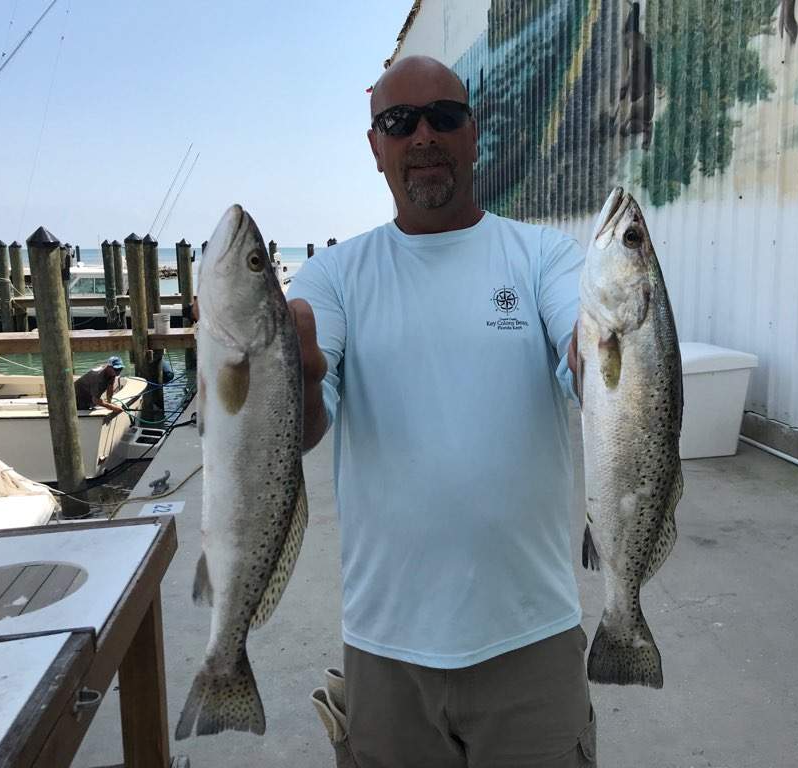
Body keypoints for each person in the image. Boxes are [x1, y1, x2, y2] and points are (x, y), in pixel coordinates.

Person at [287, 55, 593, 767]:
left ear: (474, 134)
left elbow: (585, 347)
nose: (423, 135)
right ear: (376, 148)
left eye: (444, 118)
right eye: (400, 122)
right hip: (384, 647)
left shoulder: (543, 255)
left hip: (533, 638)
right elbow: (302, 429)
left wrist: (603, 351)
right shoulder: (334, 275)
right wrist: (294, 374)